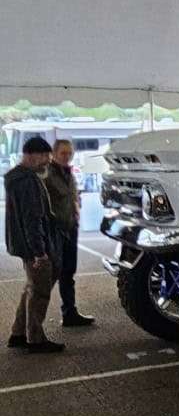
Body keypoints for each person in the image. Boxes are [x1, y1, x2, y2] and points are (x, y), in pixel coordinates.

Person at [6, 137, 64, 353]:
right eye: (45, 157)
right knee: (39, 291)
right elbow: (33, 218)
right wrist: (39, 252)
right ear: (31, 155)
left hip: (24, 245)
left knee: (31, 288)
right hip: (34, 247)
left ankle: (18, 333)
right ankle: (35, 339)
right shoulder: (28, 181)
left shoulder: (16, 177)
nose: (47, 162)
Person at [44, 140, 95, 326]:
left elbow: (73, 196)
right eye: (63, 153)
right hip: (55, 231)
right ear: (54, 154)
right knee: (47, 278)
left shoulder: (68, 173)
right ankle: (29, 324)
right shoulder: (47, 174)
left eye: (69, 153)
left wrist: (76, 212)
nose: (67, 156)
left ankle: (70, 313)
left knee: (68, 272)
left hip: (70, 228)